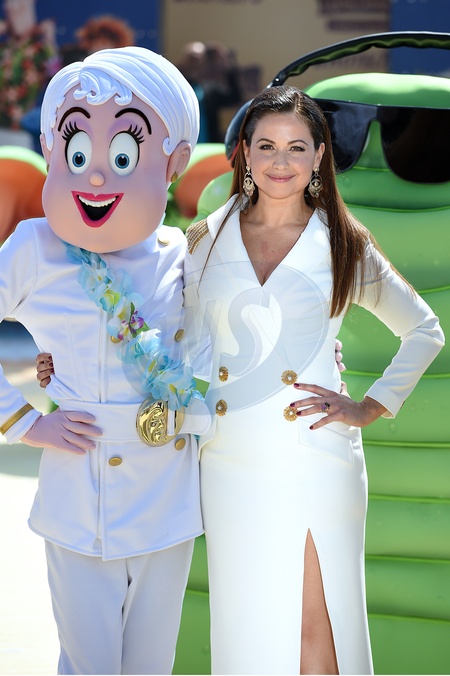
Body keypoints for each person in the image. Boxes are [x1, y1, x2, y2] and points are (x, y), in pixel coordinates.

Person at [181, 85, 444, 674]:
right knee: (246, 628)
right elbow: (179, 337)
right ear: (244, 152)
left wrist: (370, 405)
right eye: (267, 146)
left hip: (315, 458)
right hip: (228, 461)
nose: (281, 162)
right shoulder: (205, 237)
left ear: (320, 155)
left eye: (297, 147)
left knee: (315, 627)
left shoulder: (344, 241)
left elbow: (424, 330)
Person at [0, 46, 211, 675]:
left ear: (173, 163)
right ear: (50, 149)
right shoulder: (35, 246)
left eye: (122, 156)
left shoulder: (184, 255)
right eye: (76, 153)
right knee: (88, 662)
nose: (95, 176)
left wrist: (318, 349)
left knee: (151, 663)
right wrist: (24, 420)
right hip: (76, 487)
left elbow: (233, 339)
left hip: (166, 493)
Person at [0, 0, 57, 148]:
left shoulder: (39, 50)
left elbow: (56, 76)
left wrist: (50, 41)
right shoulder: (4, 50)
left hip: (22, 128)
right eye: (11, 11)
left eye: (22, 10)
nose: (17, 17)